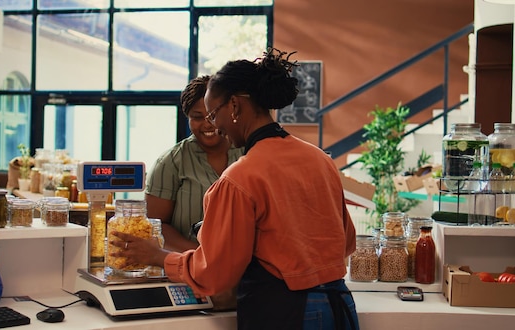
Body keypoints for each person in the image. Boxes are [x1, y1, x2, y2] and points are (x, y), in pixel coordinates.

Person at [110, 48, 359, 330]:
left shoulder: (239, 178)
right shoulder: (320, 160)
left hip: (284, 312)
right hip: (339, 307)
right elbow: (346, 242)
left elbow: (214, 274)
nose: (215, 126)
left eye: (214, 114)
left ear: (235, 107)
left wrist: (158, 256)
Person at [145, 75, 243, 252]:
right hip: (187, 269)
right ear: (187, 117)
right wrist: (201, 258)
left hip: (247, 269)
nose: (208, 124)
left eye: (213, 115)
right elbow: (155, 225)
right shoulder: (171, 163)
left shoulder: (249, 154)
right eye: (197, 117)